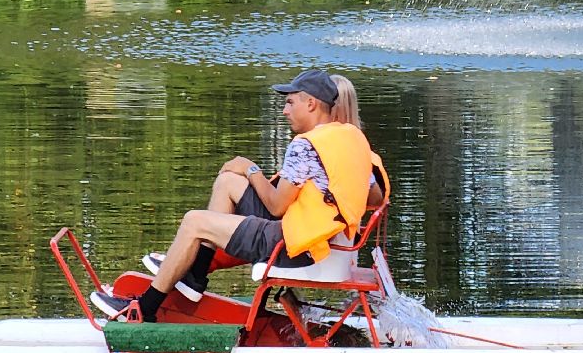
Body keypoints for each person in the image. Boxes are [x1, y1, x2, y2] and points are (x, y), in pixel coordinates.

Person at [92, 69, 381, 322]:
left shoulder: (306, 145)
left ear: (311, 103)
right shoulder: (350, 139)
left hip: (296, 247)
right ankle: (194, 275)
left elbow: (277, 206)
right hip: (323, 241)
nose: (284, 110)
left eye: (290, 102)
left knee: (195, 221)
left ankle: (145, 309)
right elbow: (375, 197)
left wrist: (252, 169)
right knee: (229, 181)